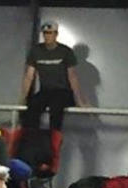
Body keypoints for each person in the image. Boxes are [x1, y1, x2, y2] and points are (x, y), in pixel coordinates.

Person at [17, 20, 87, 175]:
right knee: (32, 109)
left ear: (56, 34)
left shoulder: (65, 52)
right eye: (45, 33)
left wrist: (80, 100)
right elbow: (29, 76)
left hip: (62, 92)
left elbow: (72, 77)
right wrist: (22, 99)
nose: (47, 36)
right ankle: (31, 148)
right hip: (45, 91)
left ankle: (52, 148)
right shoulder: (36, 51)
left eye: (50, 33)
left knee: (56, 111)